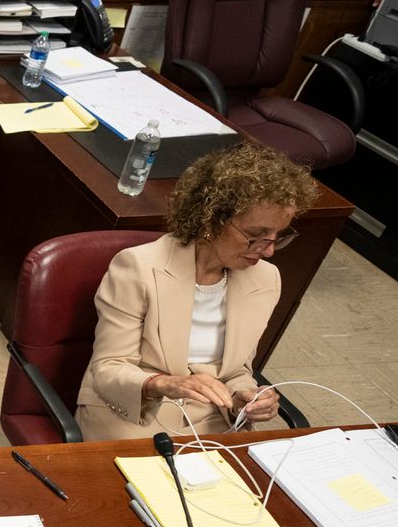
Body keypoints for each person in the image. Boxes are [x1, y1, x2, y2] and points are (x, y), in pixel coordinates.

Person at [77, 144, 317, 441]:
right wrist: (163, 384)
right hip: (134, 411)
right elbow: (108, 368)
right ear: (210, 219)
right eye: (255, 236)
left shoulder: (266, 280)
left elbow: (237, 368)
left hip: (212, 418)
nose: (267, 251)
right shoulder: (138, 267)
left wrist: (245, 395)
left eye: (277, 237)